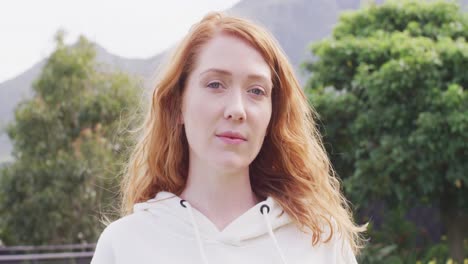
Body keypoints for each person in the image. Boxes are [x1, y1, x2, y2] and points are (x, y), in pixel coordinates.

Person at [91, 11, 366, 264]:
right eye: (215, 85)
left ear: (273, 114)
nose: (237, 109)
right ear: (177, 106)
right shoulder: (125, 245)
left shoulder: (321, 241)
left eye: (256, 91)